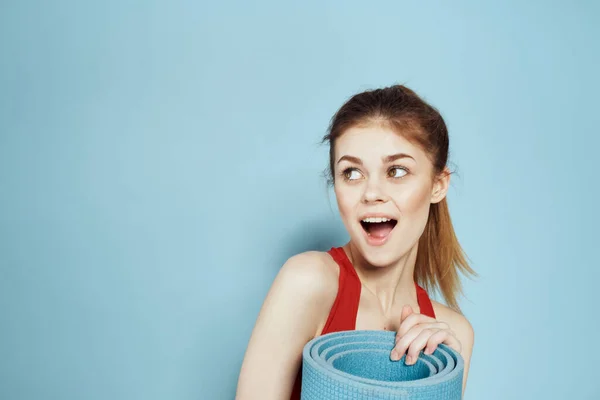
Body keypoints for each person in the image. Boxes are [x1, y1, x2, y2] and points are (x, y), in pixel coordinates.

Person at [235, 84, 477, 399]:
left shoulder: (453, 336)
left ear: (437, 185)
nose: (371, 193)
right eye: (351, 173)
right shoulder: (307, 282)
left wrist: (441, 385)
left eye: (397, 170)